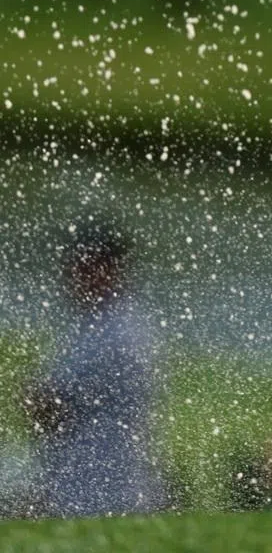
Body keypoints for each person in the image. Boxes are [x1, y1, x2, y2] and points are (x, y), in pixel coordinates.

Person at [21, 218, 165, 517]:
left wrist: (30, 395)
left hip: (101, 495)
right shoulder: (105, 323)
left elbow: (44, 407)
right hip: (99, 488)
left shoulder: (113, 333)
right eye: (73, 266)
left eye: (86, 266)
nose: (73, 275)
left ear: (112, 269)